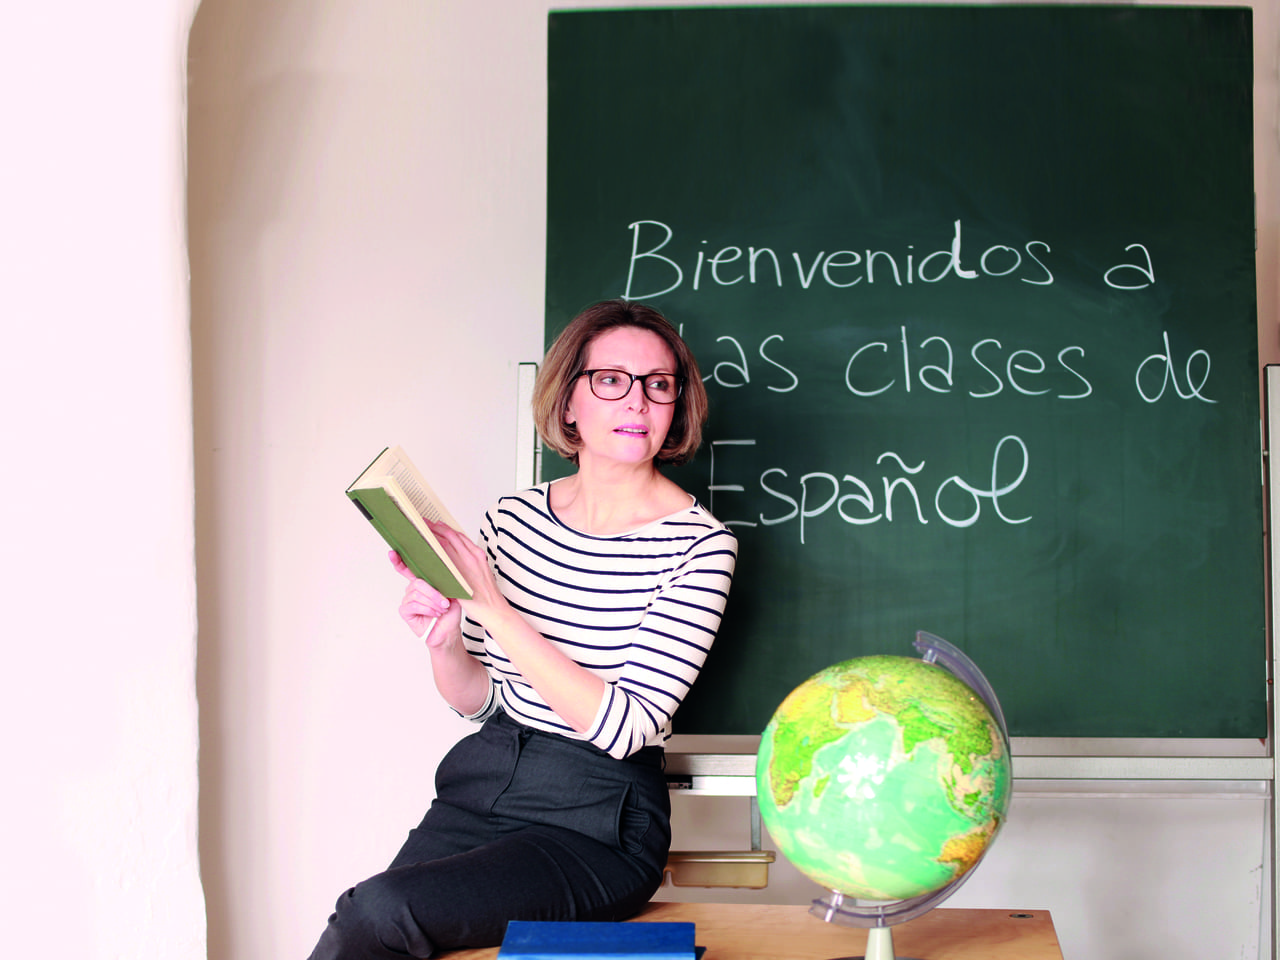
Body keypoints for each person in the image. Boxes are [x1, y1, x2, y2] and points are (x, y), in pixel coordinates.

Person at [308, 299, 737, 958]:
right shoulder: (514, 519)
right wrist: (448, 637)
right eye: (611, 380)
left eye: (659, 385)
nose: (638, 402)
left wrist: (496, 610)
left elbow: (623, 728)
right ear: (569, 402)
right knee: (368, 918)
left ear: (677, 407)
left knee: (383, 914)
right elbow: (480, 700)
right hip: (481, 786)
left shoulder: (700, 546)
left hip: (598, 820)